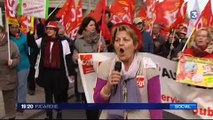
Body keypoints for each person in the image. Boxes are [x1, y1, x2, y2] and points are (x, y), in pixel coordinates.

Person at [93, 23, 162, 119]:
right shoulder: (106, 67)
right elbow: (98, 103)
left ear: (135, 44)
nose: (120, 43)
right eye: (117, 40)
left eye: (126, 40)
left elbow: (155, 105)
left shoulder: (149, 67)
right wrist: (108, 87)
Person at [34, 21, 75, 119]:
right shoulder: (42, 40)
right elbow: (32, 45)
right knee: (48, 94)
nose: (48, 30)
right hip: (46, 72)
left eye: (50, 29)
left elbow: (68, 57)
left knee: (57, 93)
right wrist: (31, 32)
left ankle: (59, 111)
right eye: (47, 29)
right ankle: (49, 115)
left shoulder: (63, 42)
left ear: (56, 31)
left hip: (58, 72)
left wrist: (71, 72)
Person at [72, 16, 107, 119]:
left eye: (94, 25)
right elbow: (75, 57)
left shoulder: (100, 39)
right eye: (90, 25)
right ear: (85, 27)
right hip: (85, 78)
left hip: (97, 76)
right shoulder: (78, 41)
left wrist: (102, 50)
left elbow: (106, 56)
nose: (93, 27)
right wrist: (74, 57)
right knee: (88, 104)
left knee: (96, 103)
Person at [9, 23, 30, 113]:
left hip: (23, 64)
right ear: (9, 28)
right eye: (12, 27)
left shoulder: (24, 37)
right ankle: (14, 104)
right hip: (11, 65)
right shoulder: (6, 38)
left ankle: (21, 105)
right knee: (13, 86)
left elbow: (28, 50)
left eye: (16, 27)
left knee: (21, 85)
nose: (14, 29)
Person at [0, 25, 20, 119]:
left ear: (3, 33)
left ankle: (11, 116)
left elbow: (17, 58)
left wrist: (12, 62)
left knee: (9, 99)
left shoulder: (11, 44)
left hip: (8, 76)